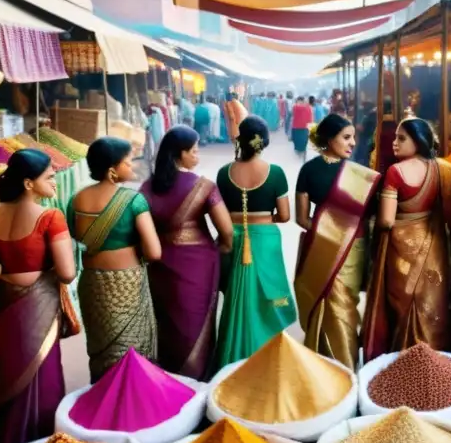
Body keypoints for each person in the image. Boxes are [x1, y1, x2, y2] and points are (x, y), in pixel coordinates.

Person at [0, 149, 77, 443]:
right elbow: (67, 273)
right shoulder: (50, 217)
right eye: (49, 177)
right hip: (37, 309)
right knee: (43, 386)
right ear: (28, 183)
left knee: (10, 388)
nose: (55, 182)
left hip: (2, 312)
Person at [141, 127, 233, 379]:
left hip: (159, 264)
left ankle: (170, 379)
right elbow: (226, 231)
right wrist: (220, 249)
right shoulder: (204, 187)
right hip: (198, 264)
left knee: (168, 321)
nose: (198, 155)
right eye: (194, 150)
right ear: (179, 154)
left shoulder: (147, 187)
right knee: (196, 322)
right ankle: (198, 379)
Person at [68, 137, 162, 381]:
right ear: (112, 170)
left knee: (102, 347)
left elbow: (74, 239)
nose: (132, 167)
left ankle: (103, 401)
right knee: (131, 350)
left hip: (92, 285)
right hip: (127, 285)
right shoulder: (133, 201)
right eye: (128, 162)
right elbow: (154, 252)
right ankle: (130, 402)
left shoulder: (76, 200)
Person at [362, 118, 451, 360]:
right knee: (430, 306)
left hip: (400, 248)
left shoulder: (395, 172)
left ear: (418, 140)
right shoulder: (441, 169)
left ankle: (403, 363)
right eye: (395, 138)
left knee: (401, 307)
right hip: (433, 245)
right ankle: (432, 362)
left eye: (401, 138)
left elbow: (386, 220)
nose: (394, 143)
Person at [295, 115, 380, 369]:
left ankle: (325, 365)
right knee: (343, 307)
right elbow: (372, 219)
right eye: (346, 137)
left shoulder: (314, 170)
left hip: (324, 247)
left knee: (338, 305)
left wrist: (327, 236)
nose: (353, 142)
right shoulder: (359, 174)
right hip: (350, 247)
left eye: (353, 137)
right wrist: (339, 237)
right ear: (329, 139)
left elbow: (302, 219)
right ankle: (346, 367)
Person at [214, 116, 298, 365]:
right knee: (271, 293)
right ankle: (268, 349)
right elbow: (284, 216)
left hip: (234, 238)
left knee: (237, 296)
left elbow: (220, 214)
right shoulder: (275, 173)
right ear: (265, 142)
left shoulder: (223, 173)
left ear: (240, 139)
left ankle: (235, 353)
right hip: (264, 241)